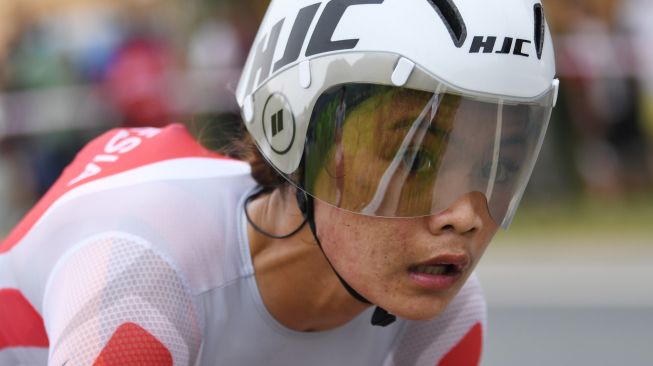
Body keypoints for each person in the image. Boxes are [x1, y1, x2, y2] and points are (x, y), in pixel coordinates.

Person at [0, 0, 558, 365]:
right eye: (412, 159)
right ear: (287, 129)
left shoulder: (445, 315)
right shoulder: (142, 274)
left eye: (499, 166)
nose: (464, 214)